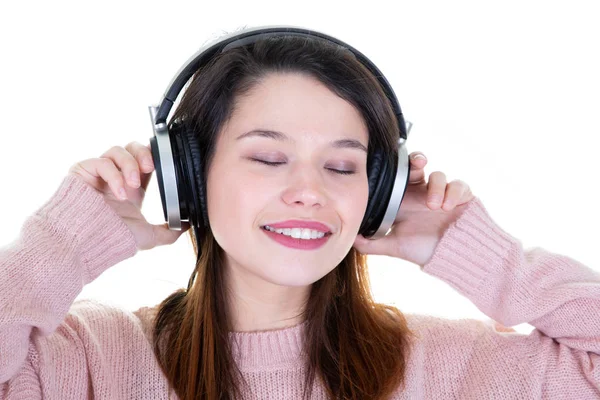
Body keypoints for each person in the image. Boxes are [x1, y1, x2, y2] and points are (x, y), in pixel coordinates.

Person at [1, 31, 599, 400]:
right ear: (189, 173)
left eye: (342, 168)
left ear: (380, 191)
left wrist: (489, 261)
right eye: (268, 157)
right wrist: (62, 243)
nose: (309, 191)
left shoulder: (451, 366)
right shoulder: (84, 362)